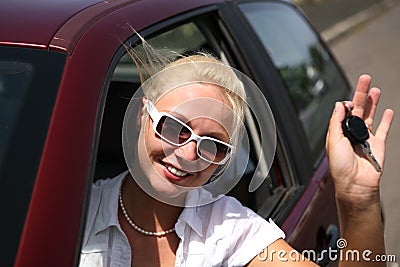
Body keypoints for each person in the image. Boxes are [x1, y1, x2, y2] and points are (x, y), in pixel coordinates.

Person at [79, 52, 394, 266]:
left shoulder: (230, 228)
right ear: (140, 115)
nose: (189, 155)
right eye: (174, 127)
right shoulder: (77, 211)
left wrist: (358, 199)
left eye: (213, 145)